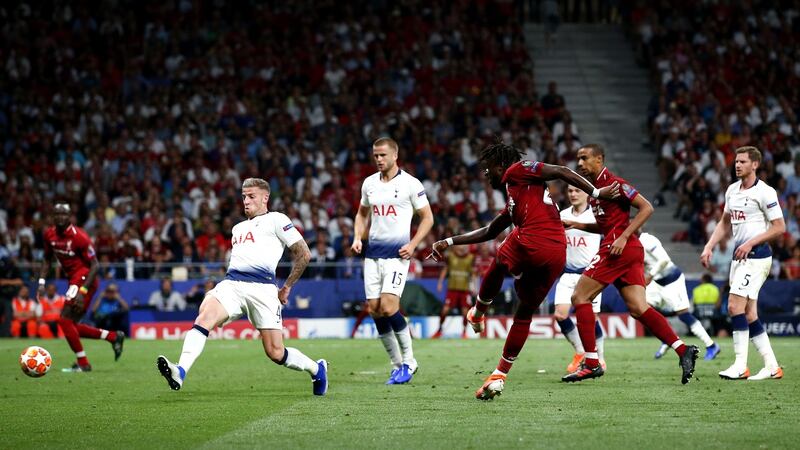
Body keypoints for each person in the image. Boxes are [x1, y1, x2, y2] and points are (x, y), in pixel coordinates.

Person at [430, 143, 619, 400]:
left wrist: (596, 192)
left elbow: (561, 170)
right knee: (524, 313)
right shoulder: (516, 195)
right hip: (555, 254)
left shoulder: (518, 170)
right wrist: (449, 241)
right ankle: (499, 374)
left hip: (535, 239)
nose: (486, 174)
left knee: (499, 258)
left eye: (487, 169)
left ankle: (478, 312)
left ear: (499, 166)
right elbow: (489, 231)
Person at [157, 178, 328, 395]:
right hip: (233, 284)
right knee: (204, 317)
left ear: (265, 198)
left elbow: (304, 254)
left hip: (263, 289)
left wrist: (287, 287)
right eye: (244, 196)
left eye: (251, 196)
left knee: (275, 352)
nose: (245, 201)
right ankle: (180, 370)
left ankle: (316, 369)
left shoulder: (277, 219)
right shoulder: (238, 228)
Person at [564, 144, 698, 384]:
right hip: (628, 250)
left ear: (599, 159)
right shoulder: (596, 190)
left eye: (585, 158)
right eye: (578, 159)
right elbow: (607, 225)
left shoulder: (615, 184)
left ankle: (592, 362)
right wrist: (578, 225)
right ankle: (682, 350)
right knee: (638, 308)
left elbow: (647, 208)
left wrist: (624, 236)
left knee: (579, 298)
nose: (580, 163)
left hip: (618, 249)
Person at [351, 137, 434, 385]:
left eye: (383, 155)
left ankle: (410, 361)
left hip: (397, 256)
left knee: (389, 307)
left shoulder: (410, 184)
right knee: (375, 311)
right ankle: (397, 366)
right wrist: (357, 236)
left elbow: (427, 218)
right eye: (375, 155)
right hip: (373, 255)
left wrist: (413, 244)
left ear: (395, 155)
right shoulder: (369, 184)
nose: (378, 159)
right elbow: (361, 213)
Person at [701, 146, 785, 380]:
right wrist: (709, 246)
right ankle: (772, 366)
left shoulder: (765, 192)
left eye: (743, 162)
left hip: (757, 257)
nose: (737, 165)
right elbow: (725, 222)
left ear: (755, 165)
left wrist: (750, 243)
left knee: (733, 307)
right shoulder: (732, 190)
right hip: (739, 258)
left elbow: (780, 227)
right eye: (736, 161)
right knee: (749, 314)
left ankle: (740, 366)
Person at [38, 203, 125, 371]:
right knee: (72, 326)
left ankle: (83, 363)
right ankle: (113, 337)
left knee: (64, 320)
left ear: (70, 217)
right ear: (53, 217)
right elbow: (47, 259)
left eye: (64, 214)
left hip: (85, 279)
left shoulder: (80, 237)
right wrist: (41, 282)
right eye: (57, 214)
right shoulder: (49, 235)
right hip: (73, 280)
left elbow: (95, 265)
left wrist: (83, 291)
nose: (60, 218)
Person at [640, 231, 721, 360]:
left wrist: (650, 275)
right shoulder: (628, 242)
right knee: (643, 308)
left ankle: (711, 345)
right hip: (657, 283)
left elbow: (665, 259)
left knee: (683, 315)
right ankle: (669, 338)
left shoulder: (647, 239)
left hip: (672, 280)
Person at [554, 185, 605, 373]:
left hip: (590, 275)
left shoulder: (595, 215)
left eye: (578, 191)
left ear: (586, 193)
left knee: (592, 318)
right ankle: (580, 352)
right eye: (570, 191)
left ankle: (600, 357)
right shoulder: (561, 214)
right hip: (568, 273)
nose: (574, 194)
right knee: (560, 314)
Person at [433, 244, 474, 339]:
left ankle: (464, 333)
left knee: (465, 312)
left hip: (464, 289)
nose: (461, 248)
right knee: (445, 310)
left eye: (463, 247)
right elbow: (445, 269)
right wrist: (440, 282)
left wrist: (474, 286)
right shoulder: (450, 256)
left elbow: (472, 273)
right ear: (455, 247)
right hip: (452, 289)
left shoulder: (470, 258)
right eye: (459, 247)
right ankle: (439, 331)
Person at [0, 254, 24, 337]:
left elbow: (20, 281)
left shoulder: (14, 269)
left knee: (8, 315)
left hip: (9, 297)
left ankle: (5, 335)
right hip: (1, 296)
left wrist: (6, 282)